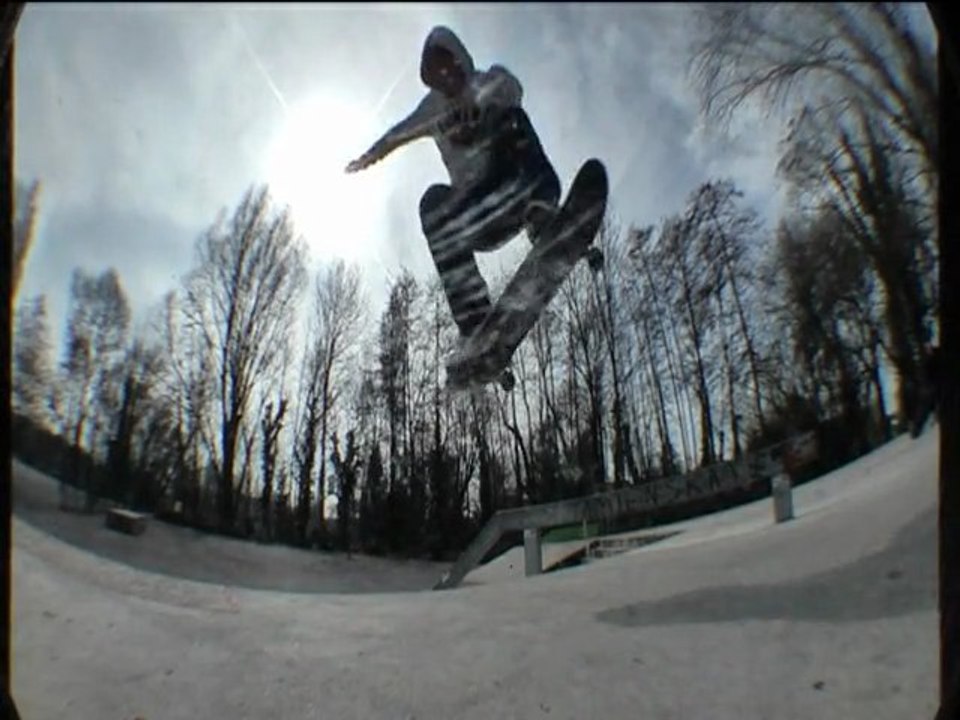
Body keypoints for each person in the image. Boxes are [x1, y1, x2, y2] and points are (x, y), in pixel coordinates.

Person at [345, 26, 562, 371]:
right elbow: (397, 134)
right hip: (478, 215)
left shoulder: (487, 81)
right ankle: (476, 323)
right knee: (432, 201)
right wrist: (369, 156)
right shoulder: (432, 109)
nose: (449, 82)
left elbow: (514, 91)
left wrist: (484, 102)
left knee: (512, 118)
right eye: (440, 78)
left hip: (518, 192)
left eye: (453, 71)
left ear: (463, 62)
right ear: (432, 82)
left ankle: (543, 213)